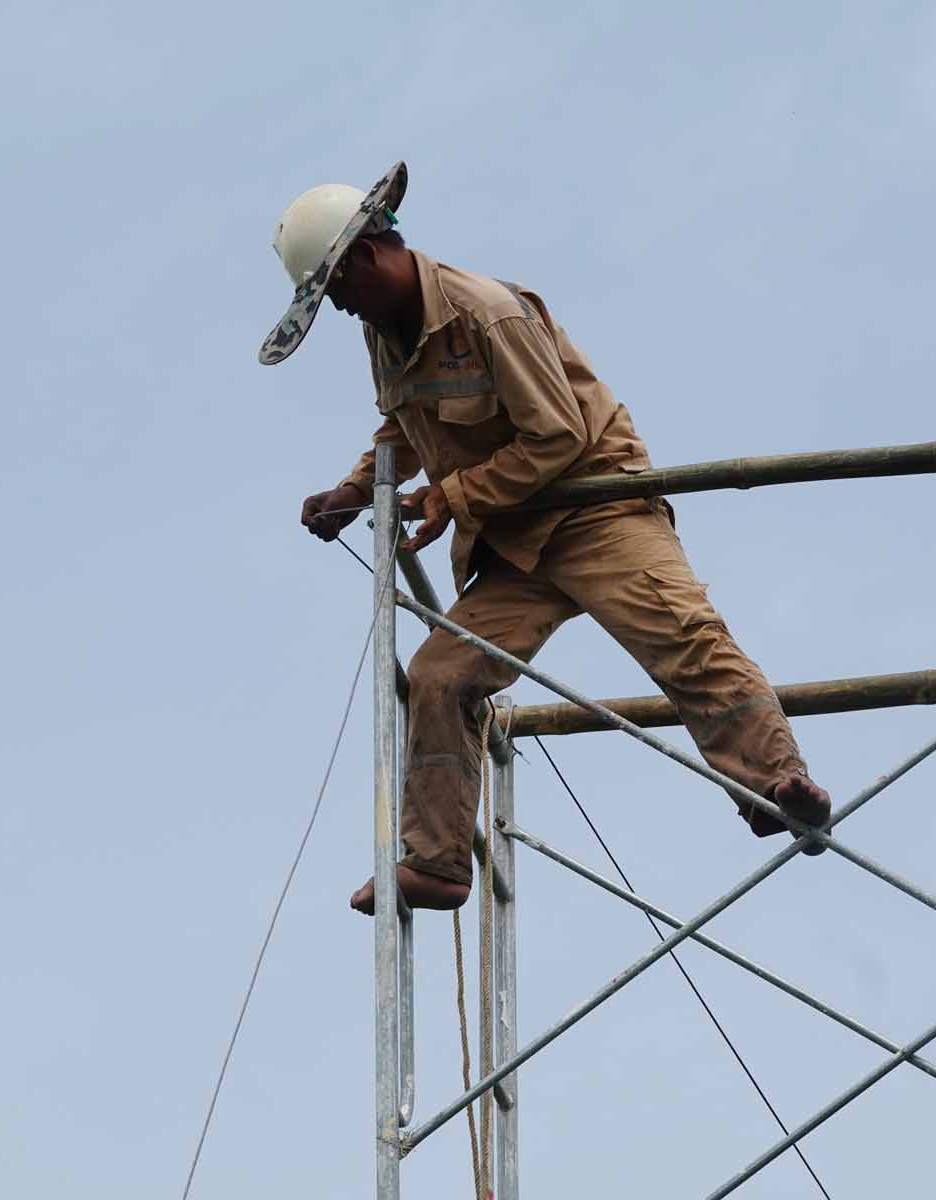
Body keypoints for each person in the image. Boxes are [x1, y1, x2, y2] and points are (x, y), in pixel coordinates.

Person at [259, 162, 832, 915]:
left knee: (684, 633)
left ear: (364, 257)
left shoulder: (487, 312)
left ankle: (771, 785)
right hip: (512, 541)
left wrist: (454, 496)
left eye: (334, 289)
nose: (336, 308)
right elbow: (406, 422)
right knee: (440, 675)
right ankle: (434, 862)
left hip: (593, 506)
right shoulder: (384, 334)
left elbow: (557, 435)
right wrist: (356, 486)